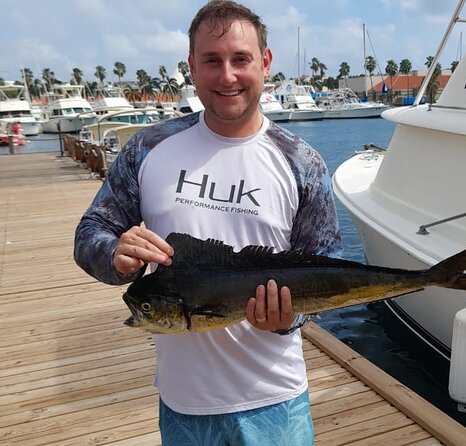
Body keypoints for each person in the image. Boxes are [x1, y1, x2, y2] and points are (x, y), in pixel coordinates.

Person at [73, 1, 341, 445]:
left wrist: (289, 319)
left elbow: (327, 269)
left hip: (277, 403)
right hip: (184, 405)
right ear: (191, 67)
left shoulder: (302, 162)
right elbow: (90, 234)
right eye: (212, 61)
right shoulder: (148, 148)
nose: (228, 76)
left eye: (241, 59)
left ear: (265, 62)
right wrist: (116, 256)